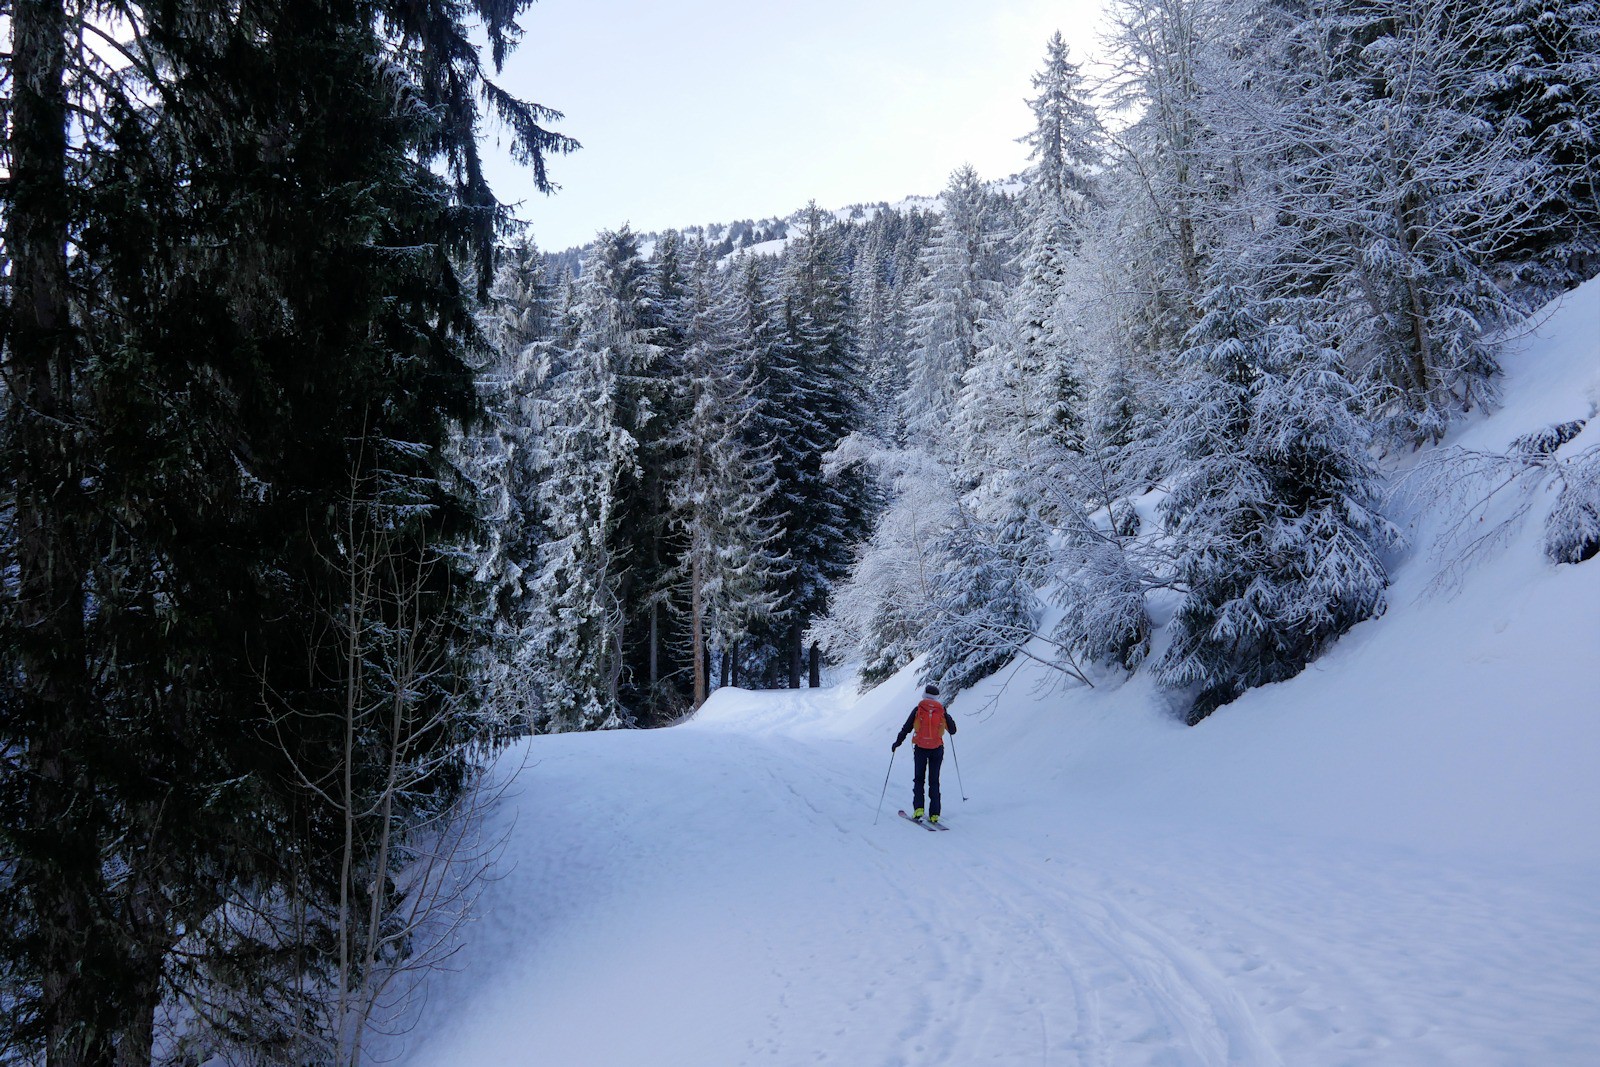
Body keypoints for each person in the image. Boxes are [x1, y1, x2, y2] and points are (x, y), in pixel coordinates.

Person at [892, 683, 957, 823]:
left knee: (919, 779)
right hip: (937, 749)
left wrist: (897, 742)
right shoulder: (941, 710)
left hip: (921, 749)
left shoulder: (918, 709)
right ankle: (934, 814)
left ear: (924, 694)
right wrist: (946, 714)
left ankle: (918, 809)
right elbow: (952, 730)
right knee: (934, 781)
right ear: (936, 696)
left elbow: (906, 728)